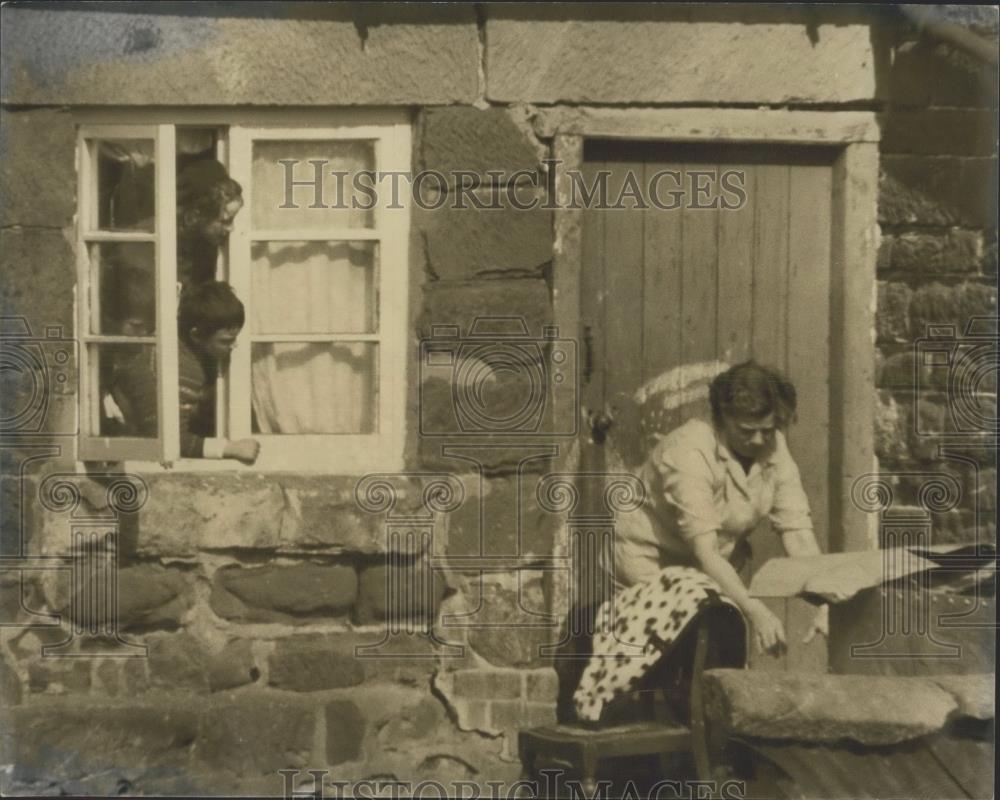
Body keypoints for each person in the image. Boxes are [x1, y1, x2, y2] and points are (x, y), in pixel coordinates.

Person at [613, 360, 835, 654]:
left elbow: (798, 532)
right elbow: (706, 551)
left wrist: (823, 600)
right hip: (650, 560)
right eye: (746, 430)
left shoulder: (773, 447)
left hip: (708, 567)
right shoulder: (689, 450)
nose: (758, 440)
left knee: (713, 645)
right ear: (721, 419)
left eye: (767, 430)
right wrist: (755, 610)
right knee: (667, 654)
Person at [111, 281, 260, 464]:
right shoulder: (175, 368)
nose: (233, 346)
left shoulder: (183, 354)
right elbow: (169, 440)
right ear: (196, 335)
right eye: (225, 341)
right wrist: (229, 448)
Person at [175, 159, 244, 286]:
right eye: (225, 221)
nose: (231, 228)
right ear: (197, 216)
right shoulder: (153, 240)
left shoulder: (206, 248)